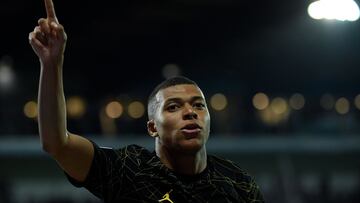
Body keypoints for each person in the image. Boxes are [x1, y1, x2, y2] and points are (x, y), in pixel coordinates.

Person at [29, 0, 265, 202]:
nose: (190, 112)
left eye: (198, 105)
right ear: (152, 127)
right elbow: (56, 143)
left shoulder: (238, 183)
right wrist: (52, 64)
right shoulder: (128, 170)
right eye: (173, 107)